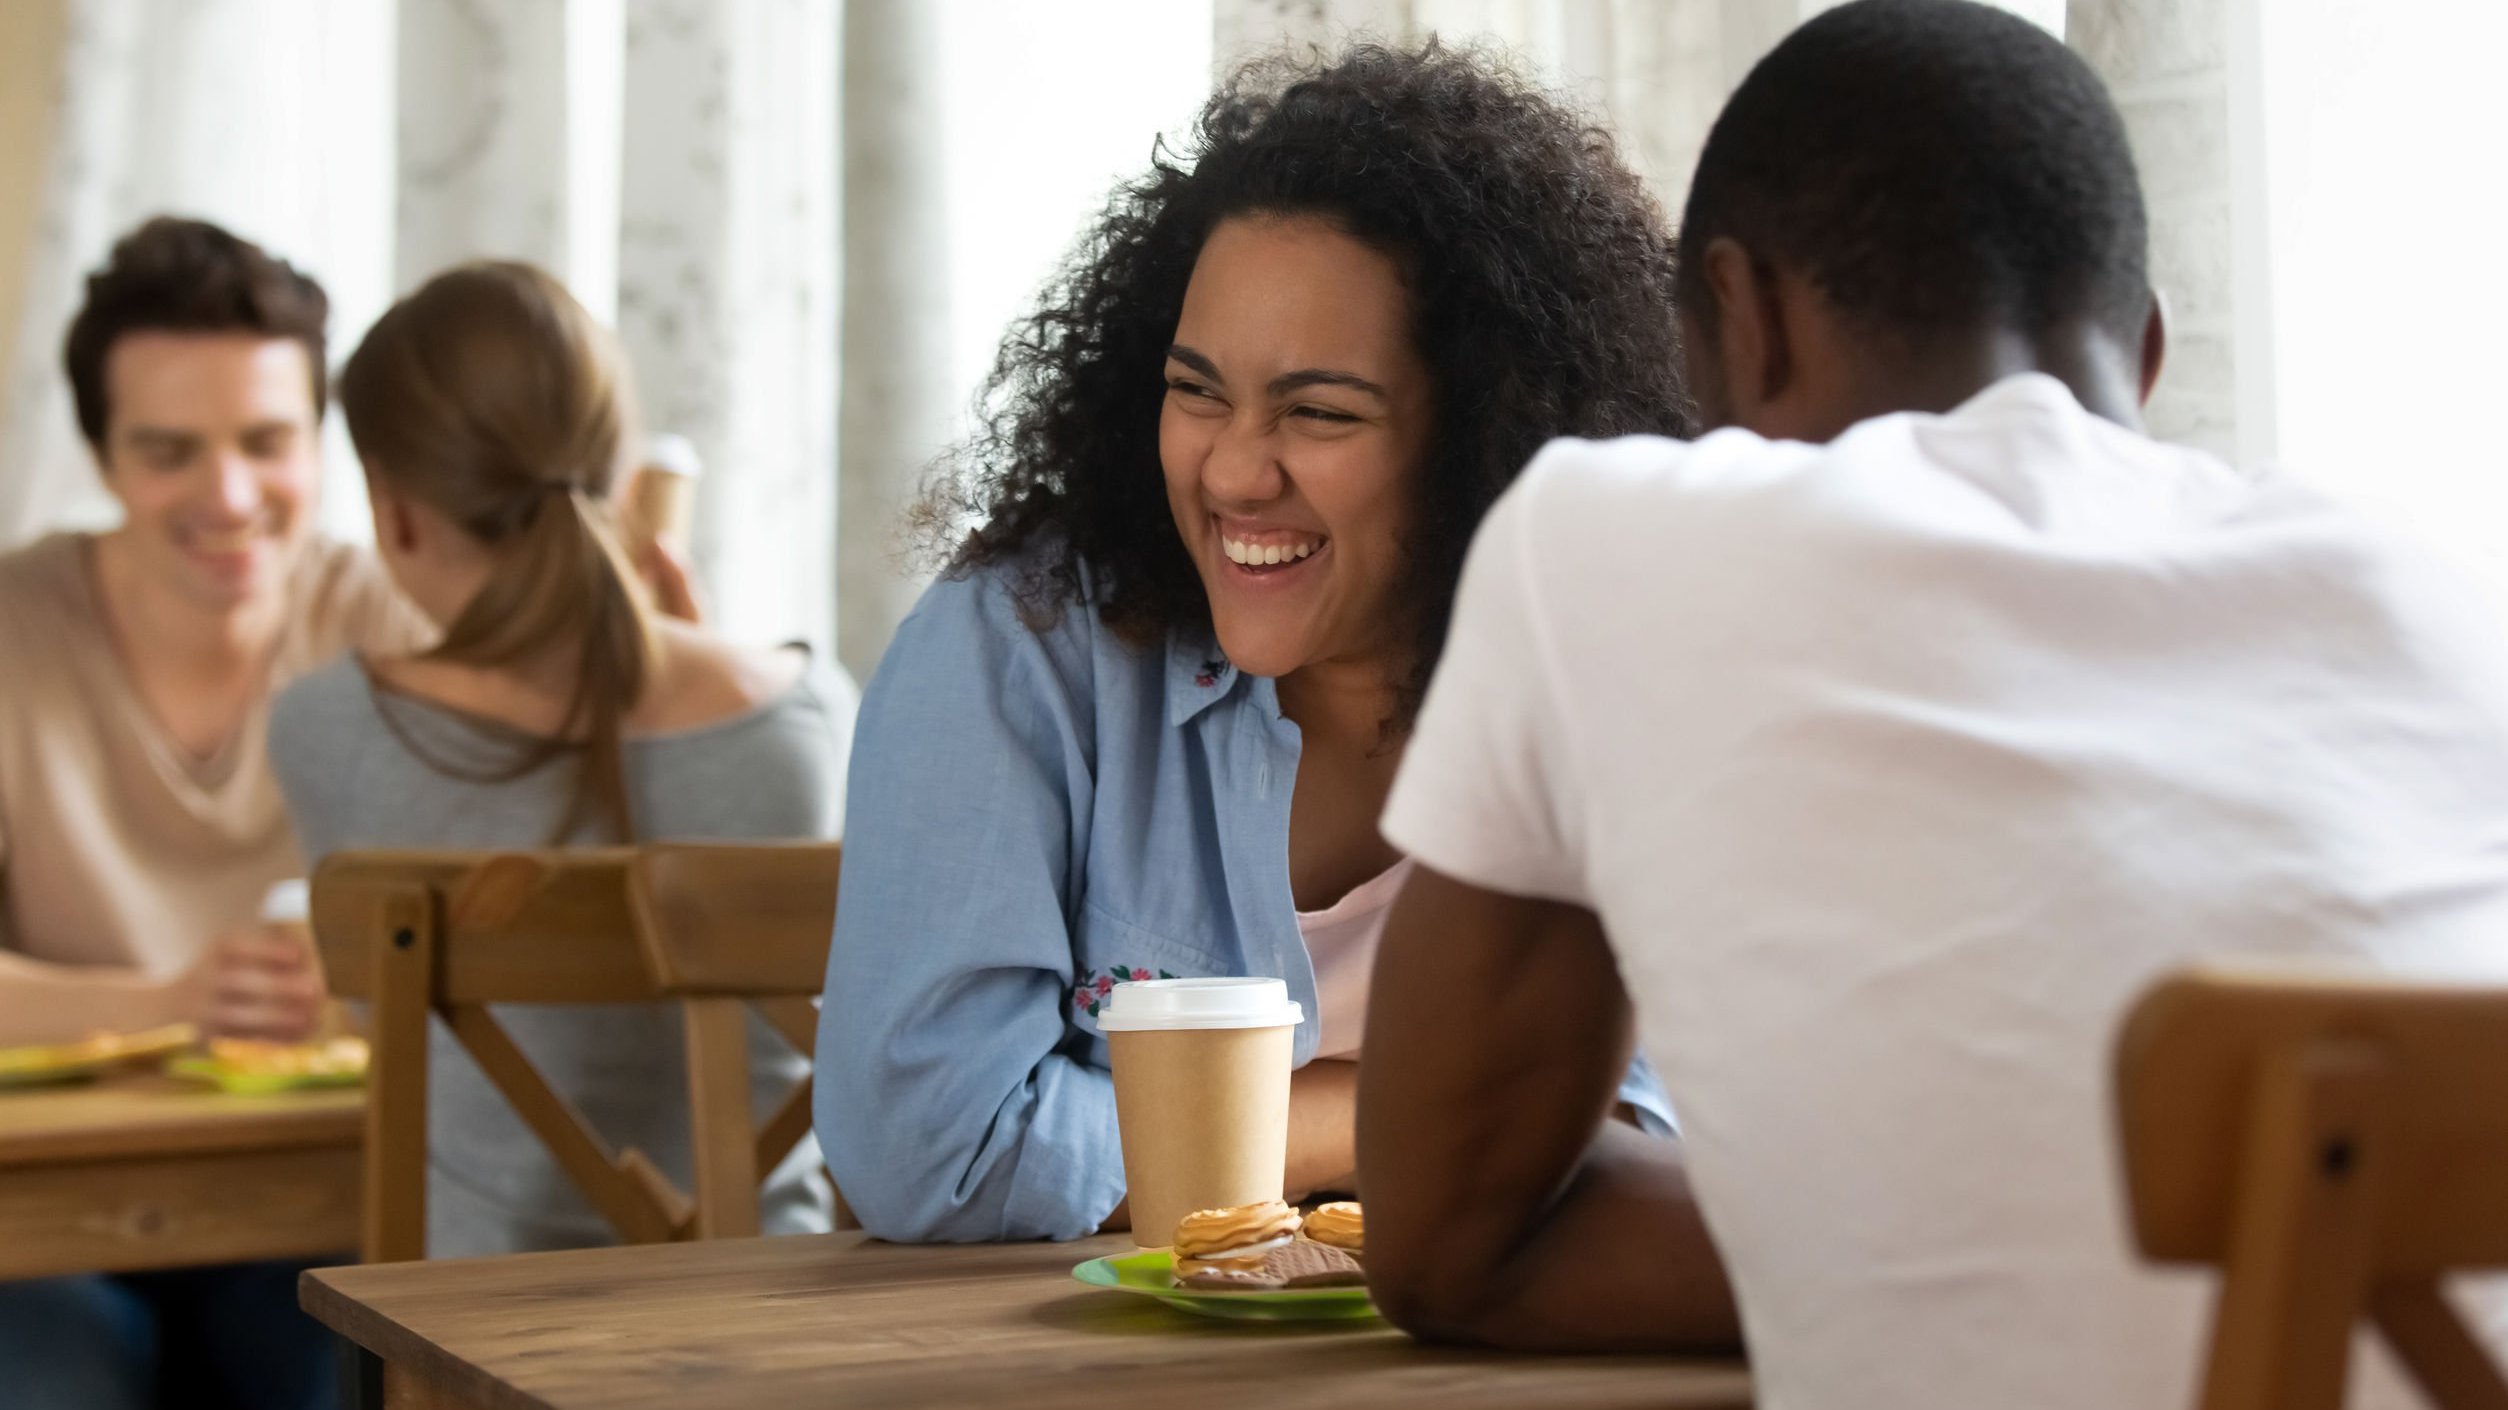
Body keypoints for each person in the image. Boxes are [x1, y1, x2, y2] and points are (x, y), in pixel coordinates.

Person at [1358, 1, 2508, 1404]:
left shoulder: (1603, 534)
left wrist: (1899, 1239)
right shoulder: (2424, 591)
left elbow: (1450, 1246)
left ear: (1746, 316)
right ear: (2144, 352)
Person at [817, 42, 1689, 1242]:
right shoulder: (1017, 652)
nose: (1232, 469)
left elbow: (1661, 1127)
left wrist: (1182, 1141)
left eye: (1318, 411)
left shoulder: (1605, 676)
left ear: (1489, 435)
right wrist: (1426, 1113)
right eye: (1197, 391)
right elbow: (940, 1153)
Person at [268, 261, 856, 1257]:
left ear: (393, 507)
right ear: (628, 481)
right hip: (772, 1320)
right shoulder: (808, 716)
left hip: (475, 1347)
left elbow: (408, 1046)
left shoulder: (330, 729)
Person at [0, 216, 430, 1410]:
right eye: (170, 450)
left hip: (313, 1197)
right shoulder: (14, 626)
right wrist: (175, 1002)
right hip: (42, 1221)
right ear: (101, 457)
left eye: (267, 441)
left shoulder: (391, 616)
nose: (229, 494)